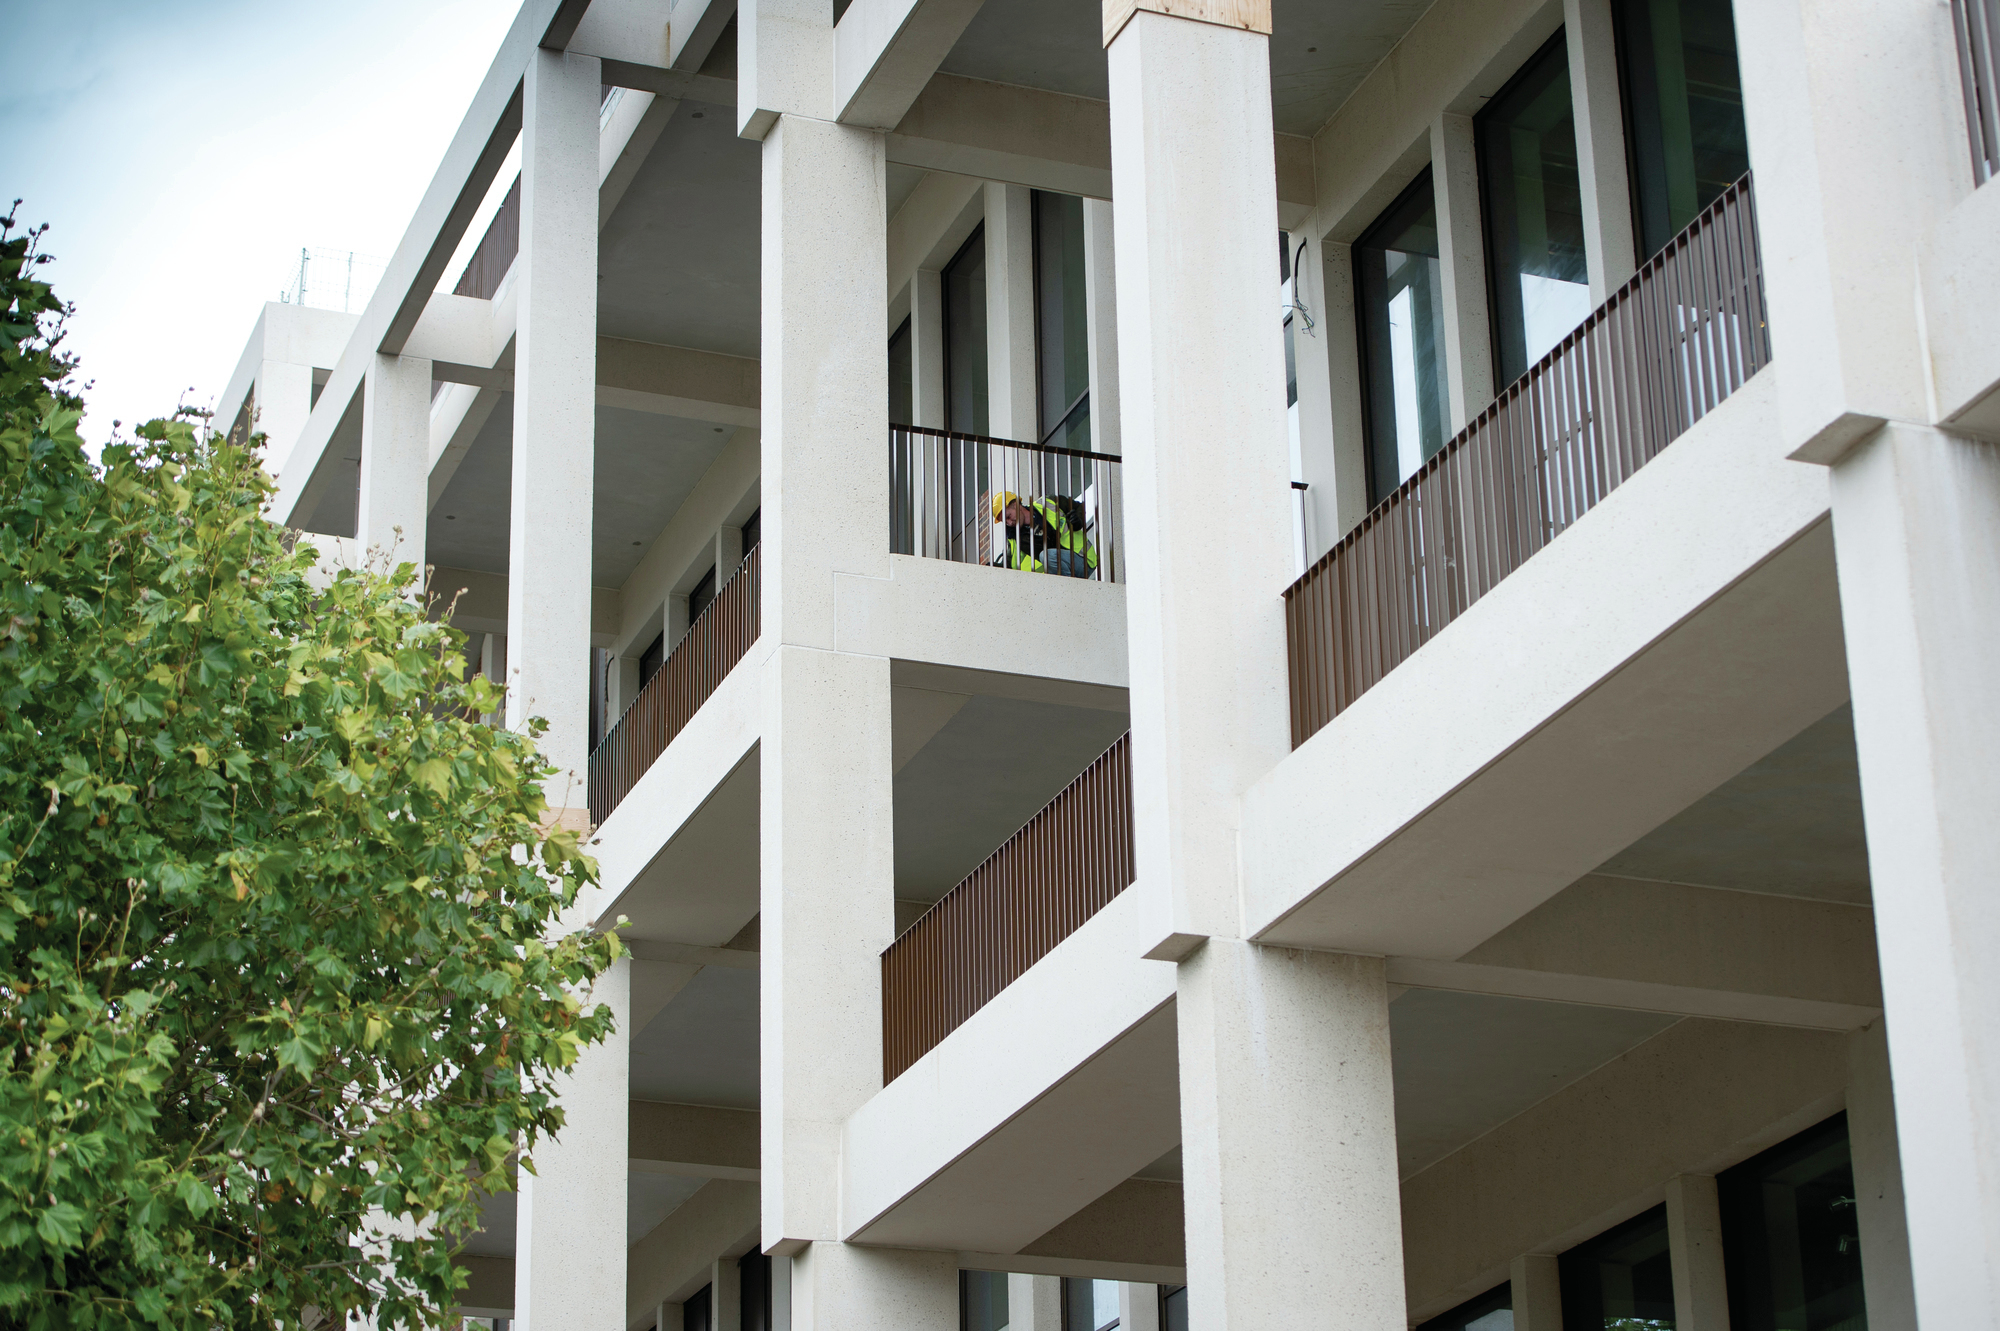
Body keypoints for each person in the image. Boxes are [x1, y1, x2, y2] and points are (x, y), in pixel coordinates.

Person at [991, 489, 1098, 578]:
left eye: (1008, 516)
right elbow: (1010, 563)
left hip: (1083, 560)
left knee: (1046, 555)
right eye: (1005, 521)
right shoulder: (1015, 538)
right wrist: (995, 568)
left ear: (1015, 505)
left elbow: (1078, 506)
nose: (1009, 523)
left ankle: (1067, 588)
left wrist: (1078, 520)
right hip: (1062, 572)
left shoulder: (1047, 503)